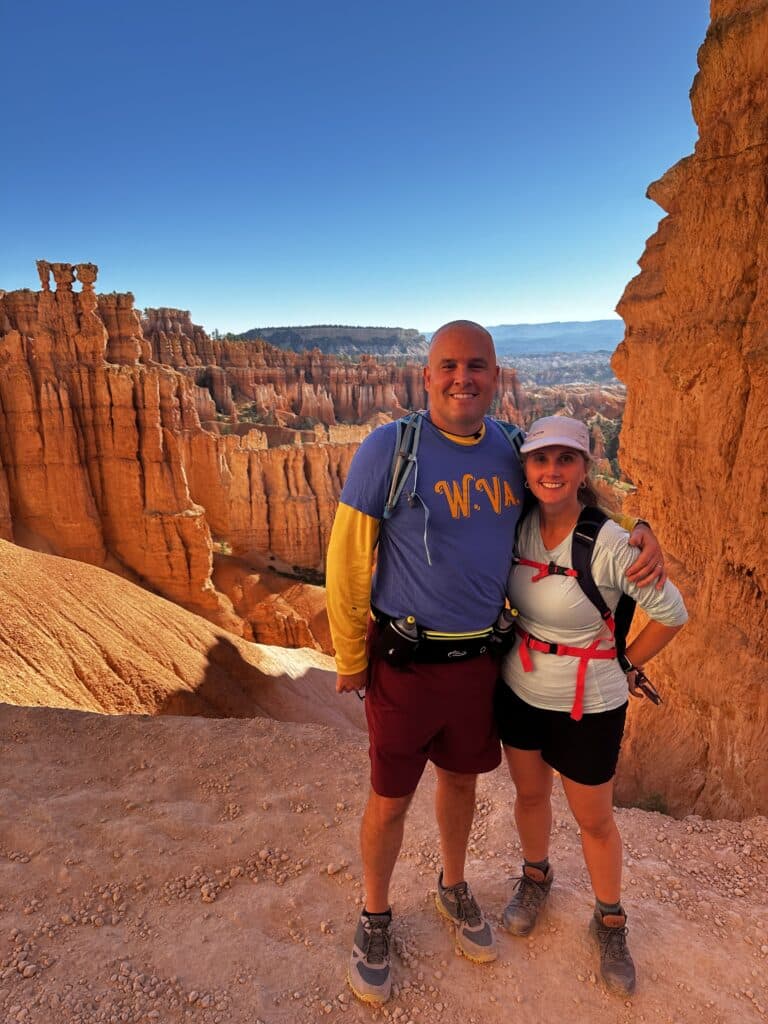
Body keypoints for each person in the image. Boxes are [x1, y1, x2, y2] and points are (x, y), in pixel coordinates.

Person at [325, 321, 664, 1005]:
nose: (462, 378)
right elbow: (345, 558)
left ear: (496, 376)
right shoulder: (391, 449)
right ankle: (374, 915)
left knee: (461, 786)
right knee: (389, 801)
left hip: (483, 661)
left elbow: (565, 496)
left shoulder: (511, 448)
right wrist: (351, 658)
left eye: (476, 365)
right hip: (407, 660)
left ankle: (453, 888)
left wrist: (639, 531)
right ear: (426, 376)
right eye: (448, 365)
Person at [495, 415, 687, 996]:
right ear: (525, 469)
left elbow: (674, 612)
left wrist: (626, 661)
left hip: (590, 702)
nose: (551, 471)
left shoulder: (607, 542)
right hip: (520, 689)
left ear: (584, 468)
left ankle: (609, 919)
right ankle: (536, 877)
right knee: (530, 795)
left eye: (565, 460)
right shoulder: (515, 527)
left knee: (595, 821)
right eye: (540, 460)